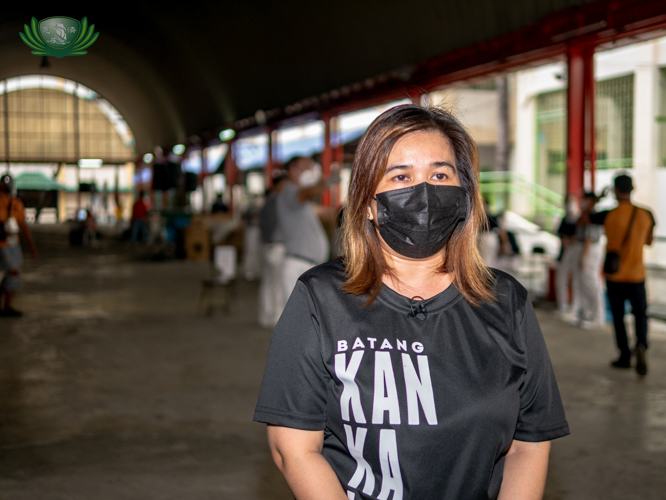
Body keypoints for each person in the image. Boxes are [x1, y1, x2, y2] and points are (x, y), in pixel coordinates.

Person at [254, 105, 569, 500]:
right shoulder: (321, 299)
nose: (424, 192)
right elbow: (294, 449)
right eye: (401, 176)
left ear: (463, 195)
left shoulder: (506, 301)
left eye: (440, 175)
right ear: (367, 202)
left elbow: (530, 442)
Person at [604, 174, 655, 376]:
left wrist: (598, 199)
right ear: (632, 189)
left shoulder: (608, 215)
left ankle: (624, 355)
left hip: (614, 276)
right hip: (637, 275)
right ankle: (641, 344)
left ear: (615, 190)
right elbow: (649, 241)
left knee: (619, 317)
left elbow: (583, 219)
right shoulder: (646, 214)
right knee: (641, 314)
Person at [276, 156, 338, 300]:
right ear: (292, 170)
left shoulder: (302, 204)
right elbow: (305, 193)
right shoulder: (289, 192)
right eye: (307, 167)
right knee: (298, 317)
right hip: (298, 266)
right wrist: (328, 182)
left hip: (307, 266)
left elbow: (323, 211)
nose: (312, 171)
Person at [0, 174, 38, 317]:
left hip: (13, 243)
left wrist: (31, 246)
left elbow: (23, 226)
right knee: (12, 271)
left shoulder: (16, 203)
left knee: (14, 272)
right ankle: (6, 306)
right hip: (2, 243)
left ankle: (7, 305)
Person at [570, 192, 606, 328]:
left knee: (590, 281)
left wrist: (584, 257)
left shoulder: (594, 216)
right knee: (582, 283)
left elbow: (589, 238)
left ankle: (597, 316)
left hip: (591, 249)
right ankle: (587, 313)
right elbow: (579, 221)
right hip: (585, 248)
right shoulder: (586, 214)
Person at [258, 171, 288, 328]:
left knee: (268, 283)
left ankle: (265, 316)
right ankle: (276, 317)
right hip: (277, 246)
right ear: (277, 185)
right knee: (277, 285)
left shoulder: (268, 202)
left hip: (268, 246)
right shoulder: (277, 202)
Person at [555, 194, 580, 319]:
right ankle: (563, 306)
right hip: (564, 253)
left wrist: (570, 240)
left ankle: (574, 307)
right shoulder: (564, 219)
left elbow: (580, 236)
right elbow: (560, 233)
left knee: (576, 280)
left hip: (575, 253)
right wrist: (564, 240)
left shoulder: (579, 219)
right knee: (561, 279)